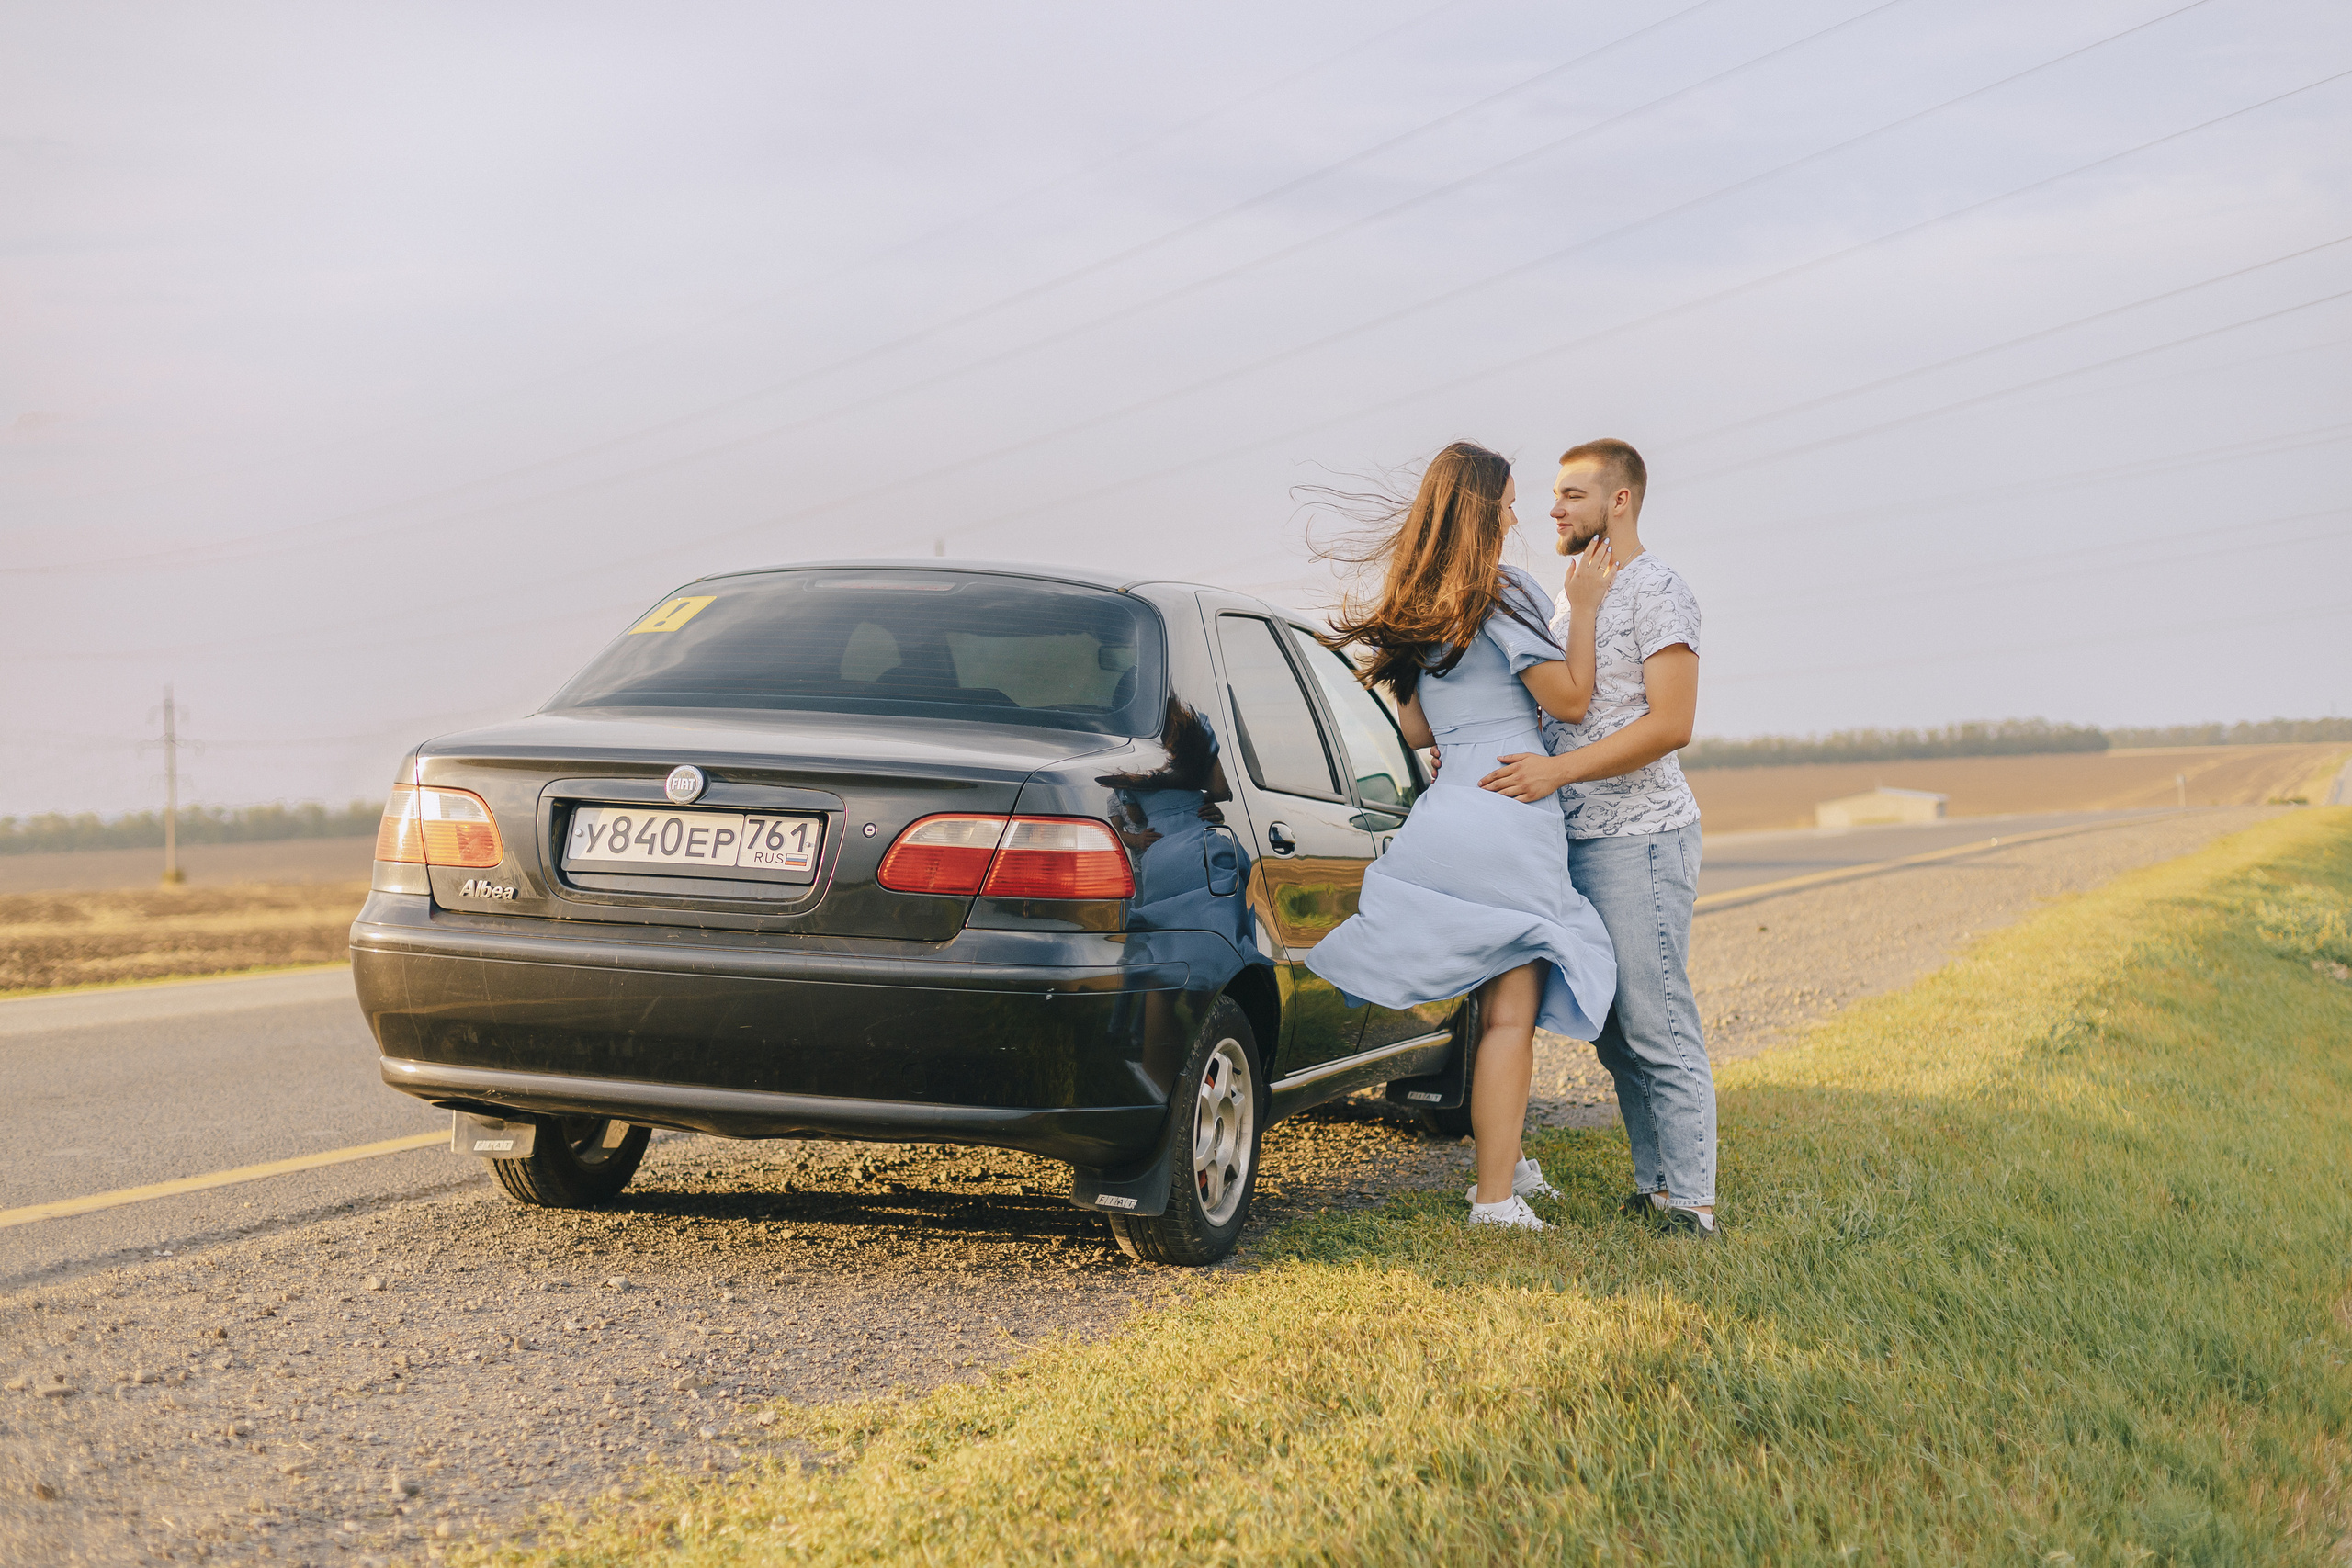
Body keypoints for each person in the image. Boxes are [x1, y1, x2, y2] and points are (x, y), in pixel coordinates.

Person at [1306, 441, 1618, 1232]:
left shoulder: (1423, 599)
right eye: (1510, 501)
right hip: (1509, 809)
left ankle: (1507, 1163)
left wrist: (1458, 726)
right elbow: (1573, 701)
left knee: (1492, 1001)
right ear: (1481, 509)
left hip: (1449, 808)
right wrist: (1581, 607)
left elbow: (1413, 723)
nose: (1519, 513)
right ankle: (1493, 1199)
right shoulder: (1504, 593)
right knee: (1513, 1013)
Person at [1479, 439, 1719, 1239]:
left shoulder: (1659, 589)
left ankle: (1691, 1203)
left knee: (1657, 1021)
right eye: (1551, 494)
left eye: (1572, 495)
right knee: (1615, 1029)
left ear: (1619, 501)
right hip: (1574, 839)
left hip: (1641, 838)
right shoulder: (1565, 596)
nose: (1554, 509)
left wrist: (1558, 770)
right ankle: (1656, 1188)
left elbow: (1672, 723)